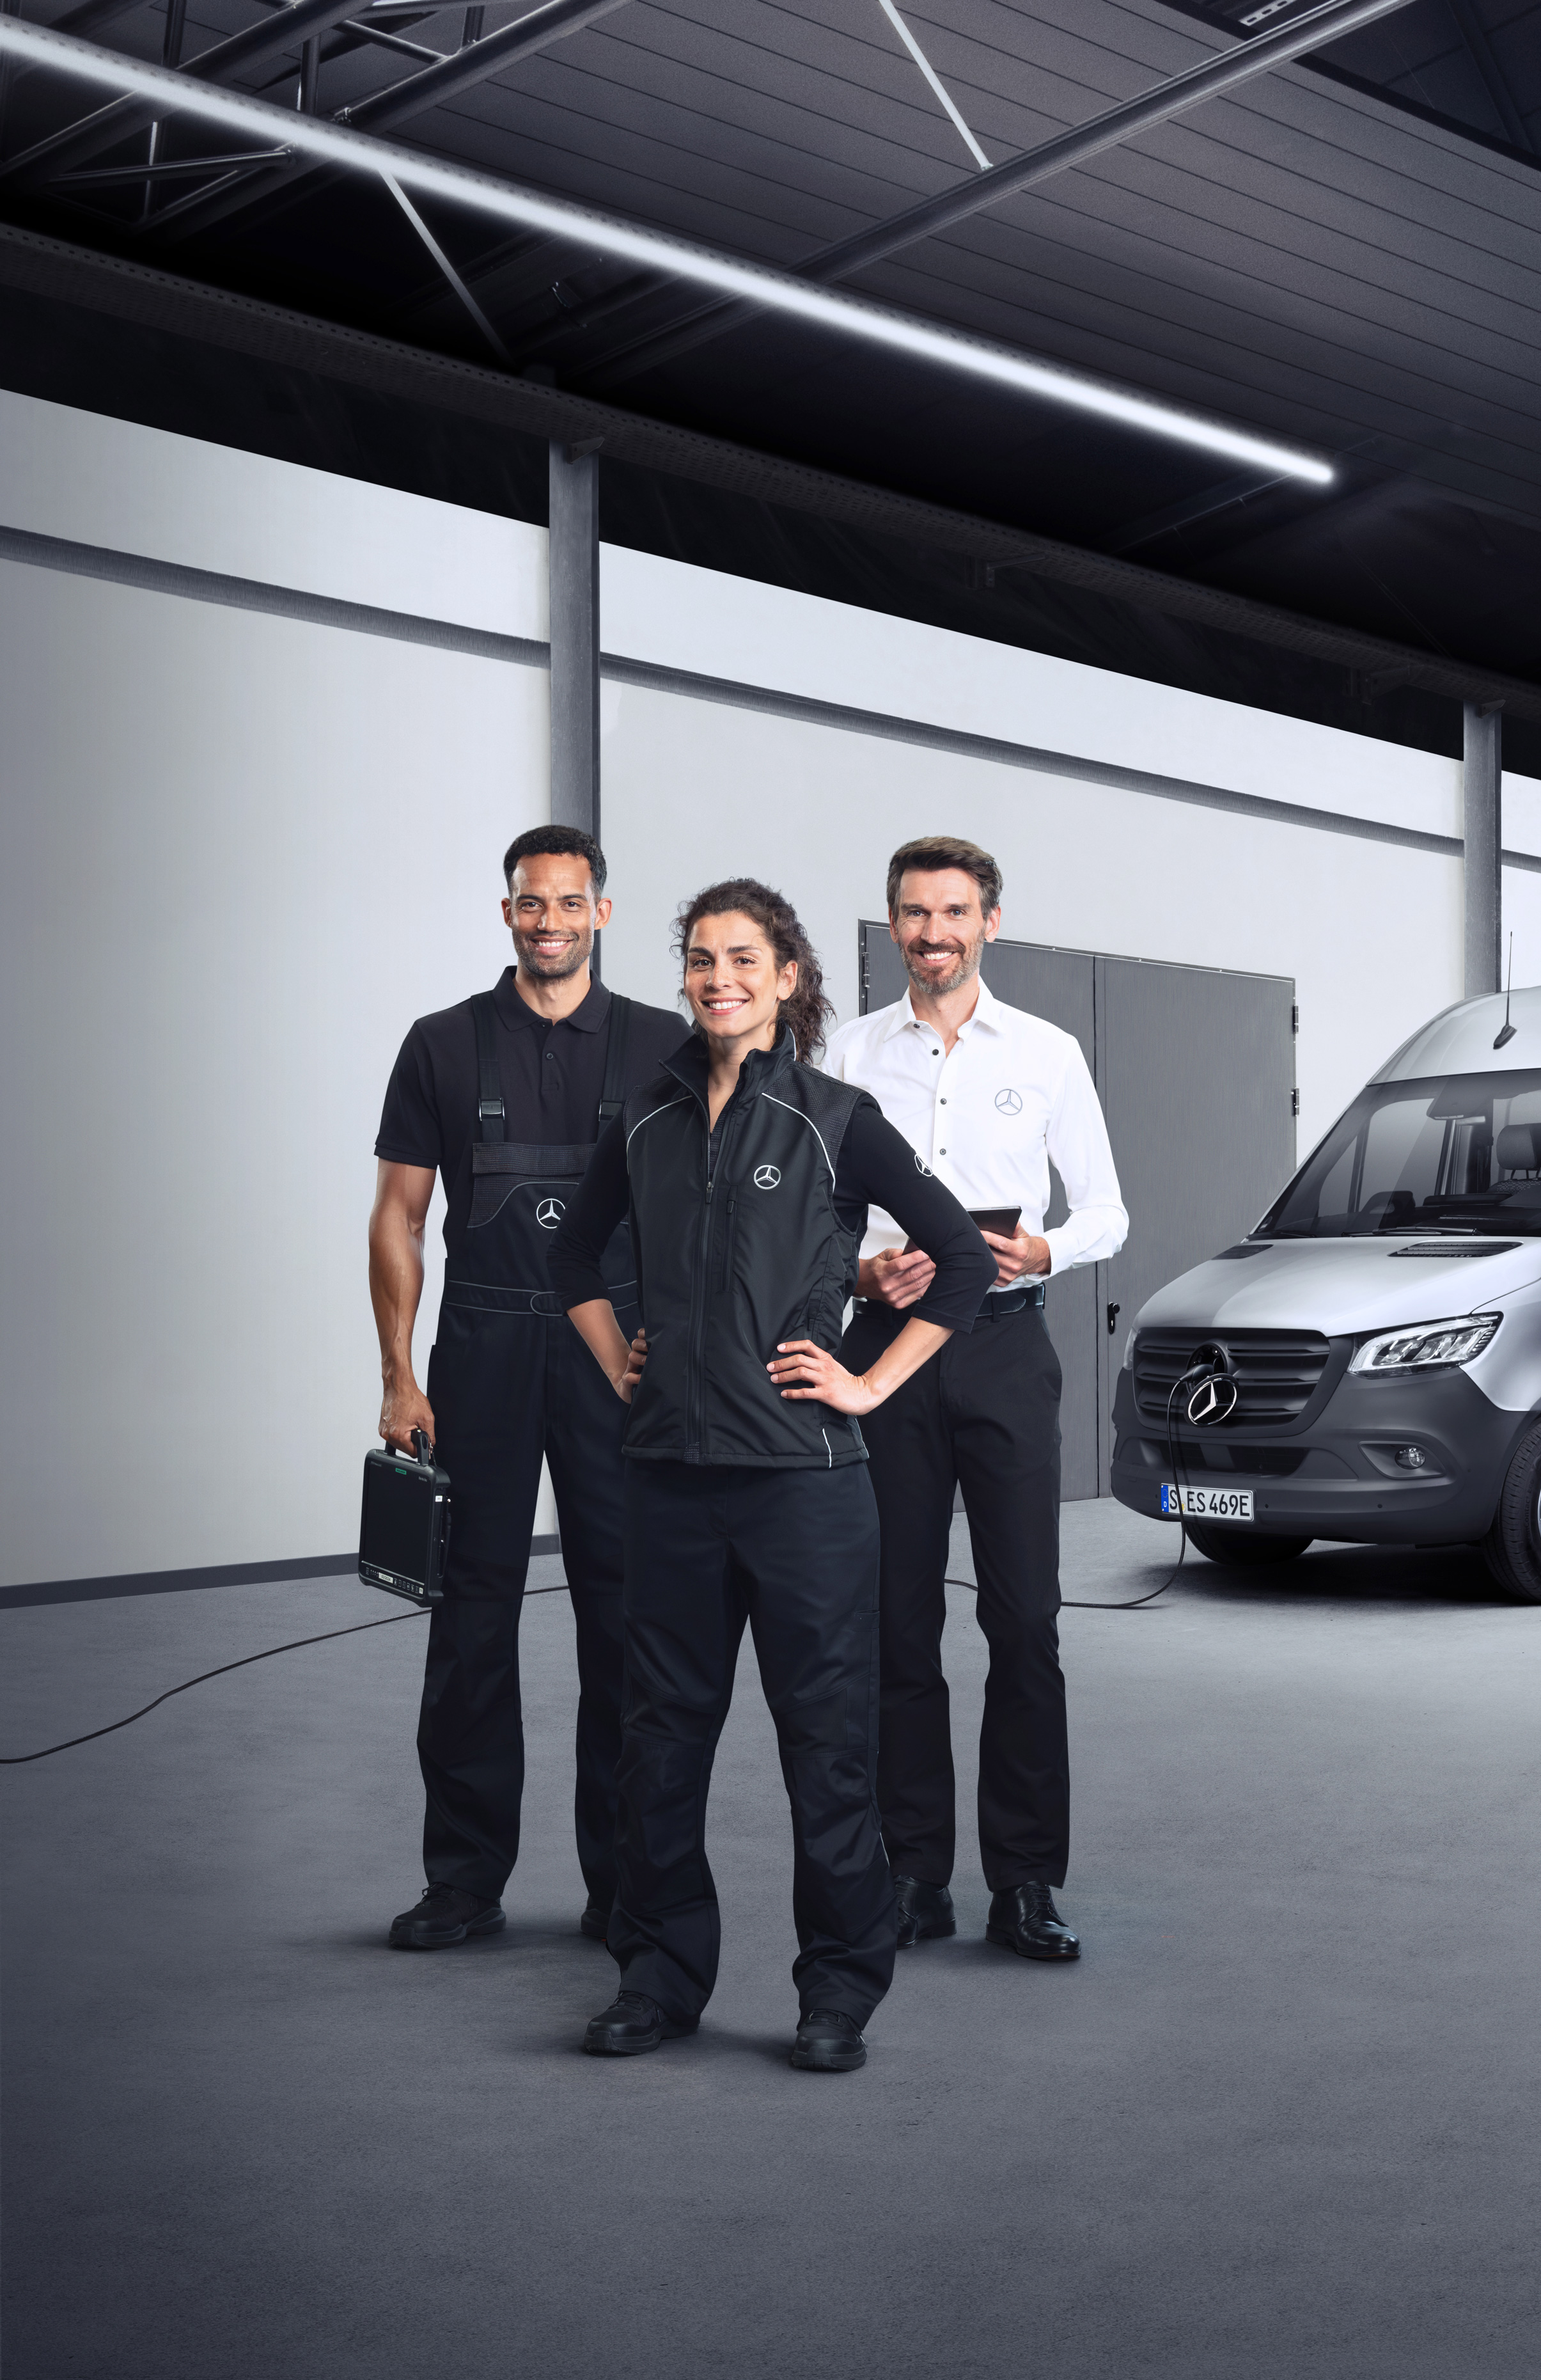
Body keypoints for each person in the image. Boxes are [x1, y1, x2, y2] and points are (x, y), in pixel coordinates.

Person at [548, 878, 994, 2071]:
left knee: (826, 1749)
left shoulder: (834, 1118)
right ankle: (656, 1979)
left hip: (804, 1488)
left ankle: (837, 1991)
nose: (719, 979)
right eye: (701, 960)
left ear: (787, 979)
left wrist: (868, 1384)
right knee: (659, 1745)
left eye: (743, 959)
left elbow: (959, 1259)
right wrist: (619, 1360)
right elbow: (572, 1258)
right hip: (668, 1482)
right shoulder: (645, 1118)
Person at [370, 825, 687, 1951]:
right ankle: (462, 1880)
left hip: (618, 1355)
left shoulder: (664, 1044)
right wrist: (399, 1376)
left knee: (627, 1618)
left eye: (568, 902)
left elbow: (701, 1213)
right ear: (506, 911)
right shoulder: (441, 1043)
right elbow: (399, 1217)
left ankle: (624, 1883)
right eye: (529, 903)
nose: (548, 921)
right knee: (468, 1617)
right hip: (484, 1353)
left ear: (601, 911)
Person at [825, 836, 1127, 1964]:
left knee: (1024, 1622)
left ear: (989, 921)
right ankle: (913, 1874)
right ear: (892, 925)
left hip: (1003, 1349)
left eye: (953, 912)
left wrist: (1043, 1249)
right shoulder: (850, 1053)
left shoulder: (1046, 1052)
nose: (933, 933)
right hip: (887, 1353)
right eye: (914, 913)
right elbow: (817, 1211)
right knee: (896, 1620)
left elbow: (1106, 1211)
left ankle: (1026, 1882)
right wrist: (861, 1274)